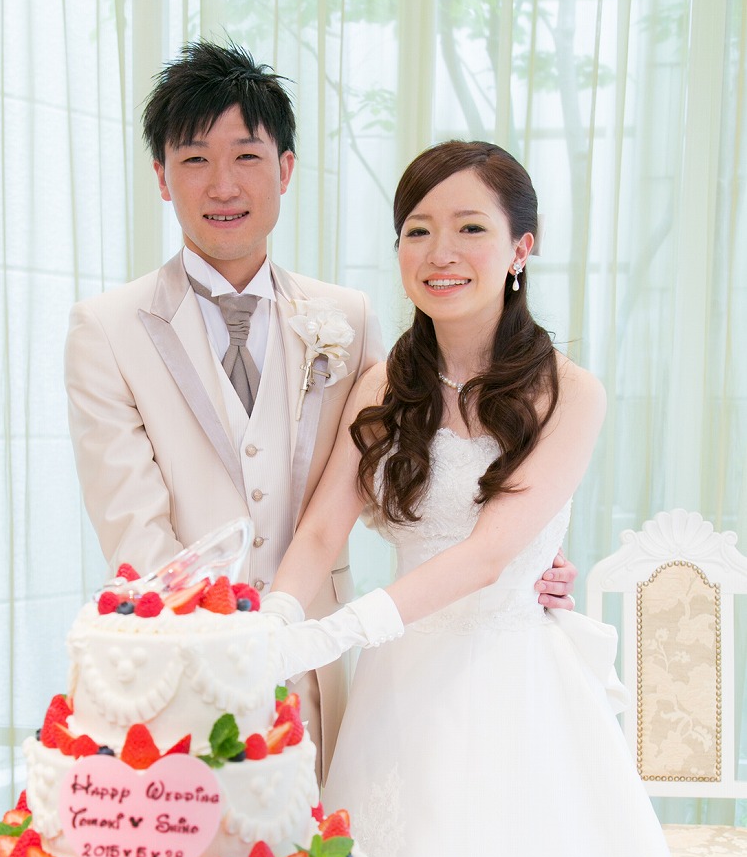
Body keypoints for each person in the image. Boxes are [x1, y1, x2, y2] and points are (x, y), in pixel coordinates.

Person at [265, 140, 716, 857]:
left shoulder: (569, 392)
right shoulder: (384, 382)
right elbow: (317, 533)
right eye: (417, 230)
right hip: (396, 691)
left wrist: (339, 629)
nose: (441, 252)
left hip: (512, 680)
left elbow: (486, 555)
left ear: (520, 247)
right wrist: (267, 624)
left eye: (470, 227)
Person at [64, 40, 576, 779]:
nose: (223, 184)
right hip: (182, 668)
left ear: (285, 169)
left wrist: (527, 552)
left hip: (325, 674)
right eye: (194, 159)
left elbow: (405, 468)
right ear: (161, 177)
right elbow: (132, 525)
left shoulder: (346, 316)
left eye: (246, 156)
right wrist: (228, 652)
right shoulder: (107, 329)